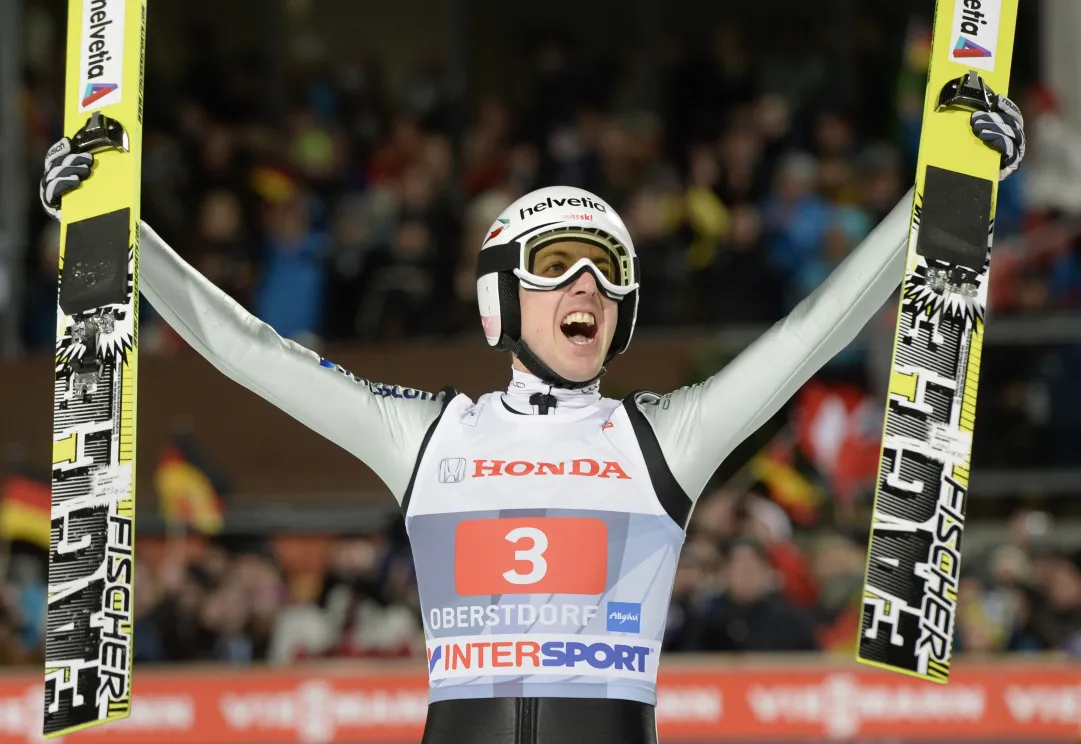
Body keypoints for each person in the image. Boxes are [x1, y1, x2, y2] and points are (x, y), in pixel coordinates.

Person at [39, 95, 1025, 744]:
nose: (588, 286)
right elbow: (244, 348)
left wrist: (946, 187)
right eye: (558, 267)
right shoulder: (427, 436)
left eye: (607, 273)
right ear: (499, 302)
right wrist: (115, 222)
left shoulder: (662, 436)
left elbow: (815, 332)